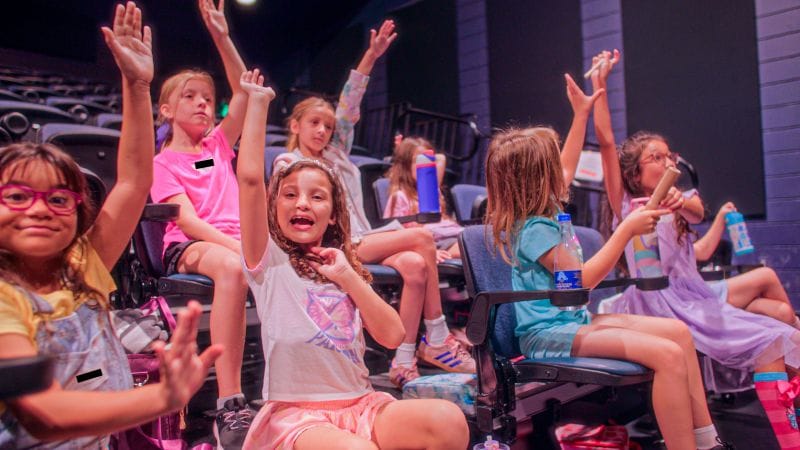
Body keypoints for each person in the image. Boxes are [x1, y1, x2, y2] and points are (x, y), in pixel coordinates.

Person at [0, 3, 221, 448]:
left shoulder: (83, 264)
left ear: (79, 213)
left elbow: (136, 180)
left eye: (59, 199)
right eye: (18, 197)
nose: (40, 209)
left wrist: (138, 84)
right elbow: (45, 413)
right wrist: (163, 396)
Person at [234, 69, 469, 450]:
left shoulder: (343, 264)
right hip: (300, 416)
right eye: (290, 195)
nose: (303, 203)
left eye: (316, 197)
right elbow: (248, 180)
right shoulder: (269, 261)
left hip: (362, 405)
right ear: (274, 206)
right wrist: (258, 104)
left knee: (448, 421)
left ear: (332, 212)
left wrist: (348, 276)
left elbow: (392, 335)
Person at [592, 49, 800, 449]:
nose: (666, 160)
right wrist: (600, 88)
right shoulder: (626, 204)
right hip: (659, 303)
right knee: (773, 337)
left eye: (668, 154)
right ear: (635, 173)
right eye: (655, 157)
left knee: (778, 317)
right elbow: (604, 143)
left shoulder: (679, 199)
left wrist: (682, 201)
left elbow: (698, 211)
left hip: (694, 296)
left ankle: (787, 424)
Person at [485, 124, 733, 450]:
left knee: (678, 333)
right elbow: (581, 281)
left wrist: (583, 111)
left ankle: (706, 441)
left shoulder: (545, 212)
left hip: (570, 324)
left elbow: (567, 164)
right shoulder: (534, 229)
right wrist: (625, 231)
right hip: (546, 336)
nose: (564, 172)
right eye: (553, 166)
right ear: (538, 177)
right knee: (668, 355)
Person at [274, 20, 474, 388]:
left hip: (362, 239)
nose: (322, 131)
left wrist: (370, 57)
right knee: (422, 240)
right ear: (295, 126)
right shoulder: (288, 166)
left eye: (328, 127)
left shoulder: (337, 155)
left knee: (415, 266)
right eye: (314, 123)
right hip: (332, 246)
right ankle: (438, 334)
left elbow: (350, 104)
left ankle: (403, 361)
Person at [149, 0, 256, 443]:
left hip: (238, 238)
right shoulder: (162, 162)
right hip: (191, 247)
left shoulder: (217, 147)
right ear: (166, 110)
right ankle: (230, 404)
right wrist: (240, 249)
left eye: (208, 99)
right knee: (233, 268)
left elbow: (245, 91)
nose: (201, 103)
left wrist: (222, 36)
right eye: (189, 97)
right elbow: (189, 222)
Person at [695, 202, 799, 328]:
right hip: (691, 297)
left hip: (702, 288)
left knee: (783, 312)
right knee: (766, 275)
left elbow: (701, 250)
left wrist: (722, 216)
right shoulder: (667, 232)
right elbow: (702, 250)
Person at [383, 136, 462, 261]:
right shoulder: (400, 196)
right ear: (405, 165)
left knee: (483, 243)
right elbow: (393, 235)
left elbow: (441, 158)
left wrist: (428, 158)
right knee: (475, 249)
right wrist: (428, 250)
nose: (425, 165)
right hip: (434, 242)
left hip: (453, 235)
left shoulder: (432, 191)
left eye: (428, 160)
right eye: (418, 160)